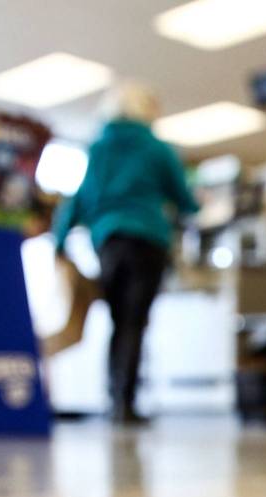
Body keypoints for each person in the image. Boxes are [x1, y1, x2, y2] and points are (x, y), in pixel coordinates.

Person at [51, 82, 199, 425]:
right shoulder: (156, 148)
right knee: (135, 320)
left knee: (118, 321)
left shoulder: (98, 149)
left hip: (109, 242)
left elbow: (78, 198)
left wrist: (58, 242)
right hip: (148, 239)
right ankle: (126, 403)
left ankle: (114, 400)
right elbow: (184, 198)